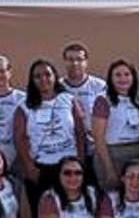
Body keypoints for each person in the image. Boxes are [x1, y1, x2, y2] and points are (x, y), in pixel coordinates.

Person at [14, 58, 87, 208]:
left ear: (55, 76)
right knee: (42, 211)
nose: (43, 79)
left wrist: (80, 159)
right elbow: (19, 139)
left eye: (47, 74)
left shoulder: (68, 100)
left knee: (71, 209)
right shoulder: (24, 106)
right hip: (41, 167)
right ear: (32, 80)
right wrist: (29, 167)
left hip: (68, 166)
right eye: (37, 76)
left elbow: (80, 132)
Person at [91, 59, 139, 194]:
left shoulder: (137, 100)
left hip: (135, 155)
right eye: (118, 75)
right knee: (112, 196)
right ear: (111, 78)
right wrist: (109, 169)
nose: (123, 79)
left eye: (127, 74)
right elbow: (98, 138)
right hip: (112, 155)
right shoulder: (103, 100)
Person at [59, 41, 108, 160]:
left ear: (86, 62)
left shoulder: (99, 86)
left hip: (95, 148)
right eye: (70, 59)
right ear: (64, 62)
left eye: (79, 59)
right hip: (67, 149)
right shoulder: (57, 87)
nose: (75, 63)